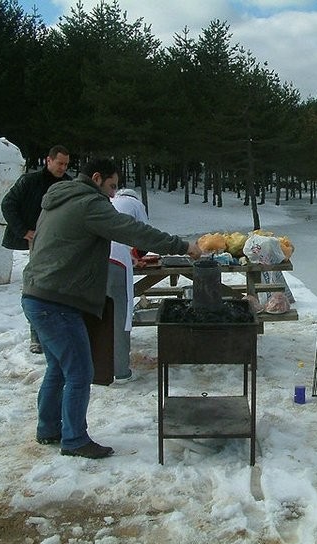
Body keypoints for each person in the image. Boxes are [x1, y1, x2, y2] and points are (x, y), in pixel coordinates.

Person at [21, 158, 201, 459]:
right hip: (57, 301)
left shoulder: (59, 199)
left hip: (38, 295)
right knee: (80, 371)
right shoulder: (89, 204)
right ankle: (74, 439)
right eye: (112, 186)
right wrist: (182, 246)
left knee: (58, 368)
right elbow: (131, 230)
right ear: (96, 178)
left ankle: (49, 428)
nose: (114, 195)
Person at [2, 145, 71, 354]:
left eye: (66, 164)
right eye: (59, 163)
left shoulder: (69, 184)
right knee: (37, 287)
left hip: (61, 243)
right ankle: (37, 336)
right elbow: (8, 205)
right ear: (48, 161)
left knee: (60, 287)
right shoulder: (29, 181)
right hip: (37, 242)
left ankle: (59, 330)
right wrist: (23, 231)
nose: (62, 168)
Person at [106, 188, 149, 383]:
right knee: (119, 316)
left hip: (94, 259)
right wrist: (136, 256)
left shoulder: (107, 201)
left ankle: (97, 367)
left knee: (98, 314)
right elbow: (144, 239)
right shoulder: (136, 205)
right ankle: (120, 371)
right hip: (117, 262)